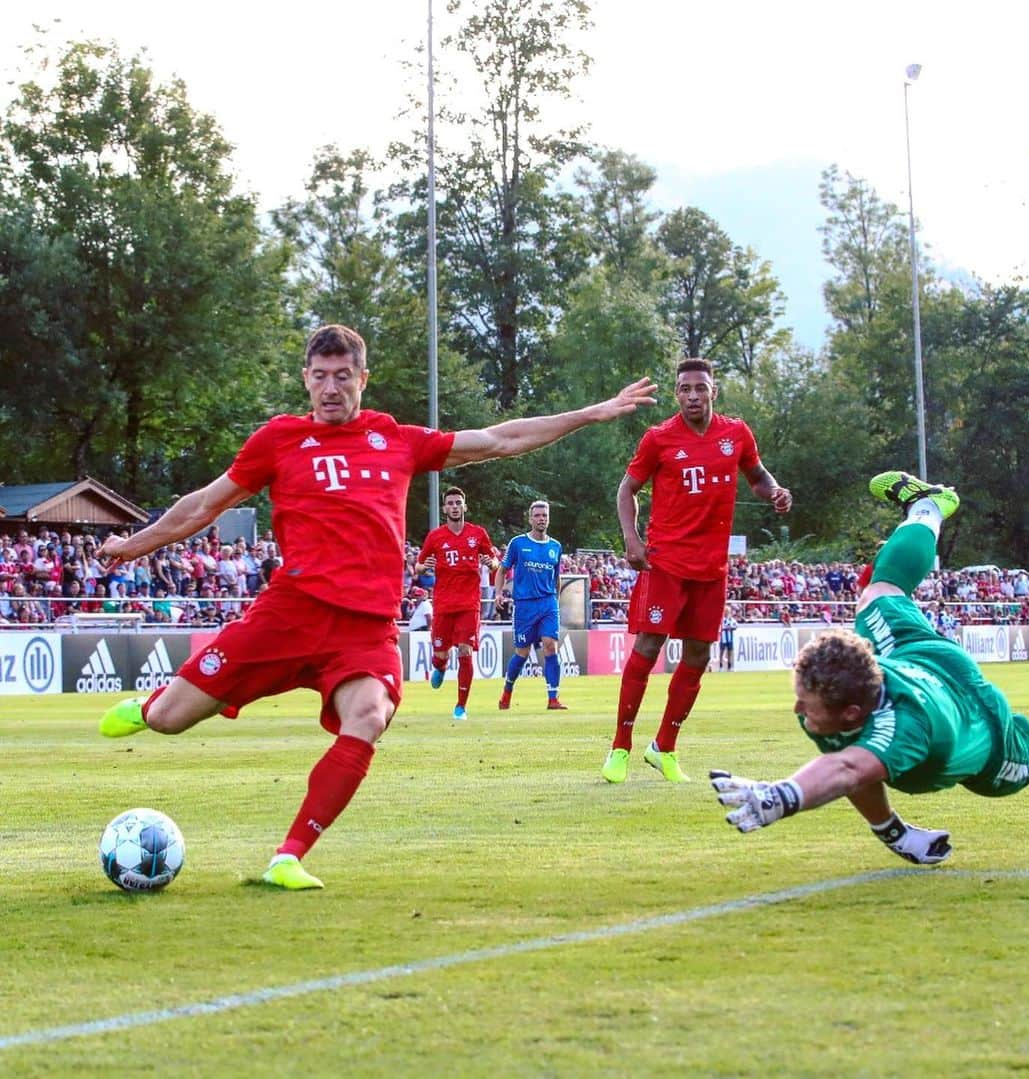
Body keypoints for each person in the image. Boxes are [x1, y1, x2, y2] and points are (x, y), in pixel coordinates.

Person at [96, 324, 657, 890]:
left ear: (363, 379)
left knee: (368, 715)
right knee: (171, 720)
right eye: (320, 377)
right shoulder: (278, 440)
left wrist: (591, 413)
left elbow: (498, 440)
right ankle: (146, 709)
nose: (331, 388)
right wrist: (134, 543)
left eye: (343, 376)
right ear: (306, 380)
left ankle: (288, 856)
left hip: (364, 631)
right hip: (288, 615)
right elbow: (204, 504)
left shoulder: (397, 439)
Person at [710, 471, 1029, 860]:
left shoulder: (906, 727)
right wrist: (894, 833)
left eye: (807, 703)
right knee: (878, 593)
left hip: (983, 728)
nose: (797, 710)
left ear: (852, 712)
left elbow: (850, 770)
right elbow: (848, 760)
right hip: (919, 656)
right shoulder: (844, 695)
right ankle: (927, 506)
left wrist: (784, 796)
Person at [601, 357, 792, 784]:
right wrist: (631, 539)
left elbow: (758, 476)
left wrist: (774, 492)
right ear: (676, 394)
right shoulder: (659, 438)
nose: (692, 395)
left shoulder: (736, 433)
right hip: (666, 561)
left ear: (713, 392)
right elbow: (626, 487)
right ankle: (620, 747)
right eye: (685, 388)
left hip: (712, 566)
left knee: (699, 655)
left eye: (700, 388)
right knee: (648, 648)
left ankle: (664, 748)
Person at [417, 486, 499, 721]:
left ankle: (461, 706)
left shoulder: (478, 533)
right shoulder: (435, 537)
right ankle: (440, 667)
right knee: (441, 653)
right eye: (450, 503)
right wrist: (426, 567)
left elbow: (494, 562)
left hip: (468, 604)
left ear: (464, 507)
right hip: (443, 604)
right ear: (445, 508)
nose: (454, 506)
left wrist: (490, 562)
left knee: (465, 651)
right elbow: (419, 567)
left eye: (457, 503)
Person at [493, 500, 568, 711]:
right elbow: (501, 569)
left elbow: (557, 577)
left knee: (550, 645)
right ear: (530, 518)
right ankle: (507, 690)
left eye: (544, 515)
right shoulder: (517, 543)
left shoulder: (555, 546)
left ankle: (553, 698)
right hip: (524, 606)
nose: (541, 518)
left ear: (549, 518)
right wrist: (498, 593)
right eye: (537, 515)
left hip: (547, 603)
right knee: (522, 653)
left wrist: (555, 599)